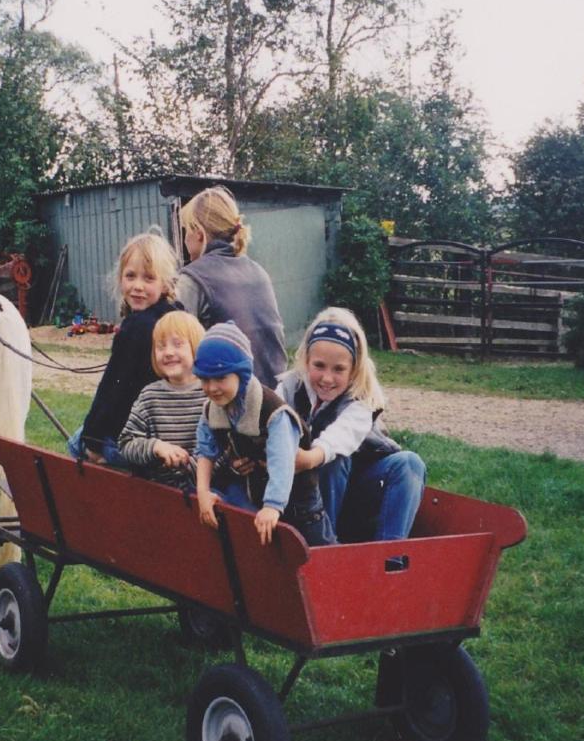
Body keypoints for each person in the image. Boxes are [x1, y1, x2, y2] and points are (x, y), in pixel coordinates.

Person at [275, 307, 424, 543]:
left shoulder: (361, 400)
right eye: (319, 366)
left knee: (409, 463)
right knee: (332, 464)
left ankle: (390, 555)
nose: (327, 378)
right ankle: (325, 545)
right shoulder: (288, 388)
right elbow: (268, 427)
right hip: (304, 498)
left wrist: (307, 458)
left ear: (354, 369)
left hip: (358, 492)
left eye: (339, 369)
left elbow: (339, 438)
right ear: (306, 360)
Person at [193, 322, 335, 548]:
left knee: (319, 550)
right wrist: (203, 491)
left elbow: (282, 459)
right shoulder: (213, 408)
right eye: (205, 379)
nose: (212, 388)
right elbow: (205, 450)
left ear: (242, 374)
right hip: (258, 494)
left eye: (220, 378)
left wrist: (273, 505)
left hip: (299, 500)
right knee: (270, 552)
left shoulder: (273, 412)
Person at [67, 228, 181, 467]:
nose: (137, 286)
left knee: (76, 443)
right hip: (167, 436)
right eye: (131, 276)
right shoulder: (176, 318)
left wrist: (93, 441)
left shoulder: (136, 327)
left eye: (148, 278)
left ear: (165, 283)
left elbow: (113, 391)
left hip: (130, 441)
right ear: (120, 278)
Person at [176, 185, 288, 388]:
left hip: (229, 399)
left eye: (186, 231)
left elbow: (177, 352)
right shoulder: (258, 271)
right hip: (274, 397)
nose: (185, 239)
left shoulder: (193, 279)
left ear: (198, 233)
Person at [117, 311, 208, 491]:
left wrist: (188, 468)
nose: (168, 353)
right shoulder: (150, 396)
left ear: (197, 347)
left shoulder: (209, 395)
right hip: (158, 491)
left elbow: (222, 451)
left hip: (205, 489)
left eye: (177, 344)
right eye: (160, 346)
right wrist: (156, 447)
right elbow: (126, 443)